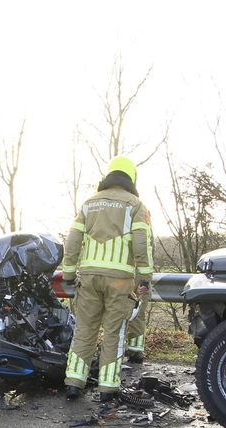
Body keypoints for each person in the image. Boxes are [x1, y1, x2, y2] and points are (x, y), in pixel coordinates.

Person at [62, 155, 154, 401]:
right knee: (114, 332)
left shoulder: (89, 203)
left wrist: (69, 272)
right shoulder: (136, 205)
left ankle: (74, 382)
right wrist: (145, 276)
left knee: (84, 329)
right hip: (120, 280)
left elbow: (73, 240)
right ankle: (107, 388)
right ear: (131, 178)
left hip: (88, 278)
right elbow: (141, 243)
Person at [124, 222, 154, 364]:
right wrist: (145, 280)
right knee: (137, 311)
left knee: (117, 311)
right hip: (137, 270)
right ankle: (135, 350)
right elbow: (146, 250)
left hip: (122, 270)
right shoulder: (142, 220)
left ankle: (120, 349)